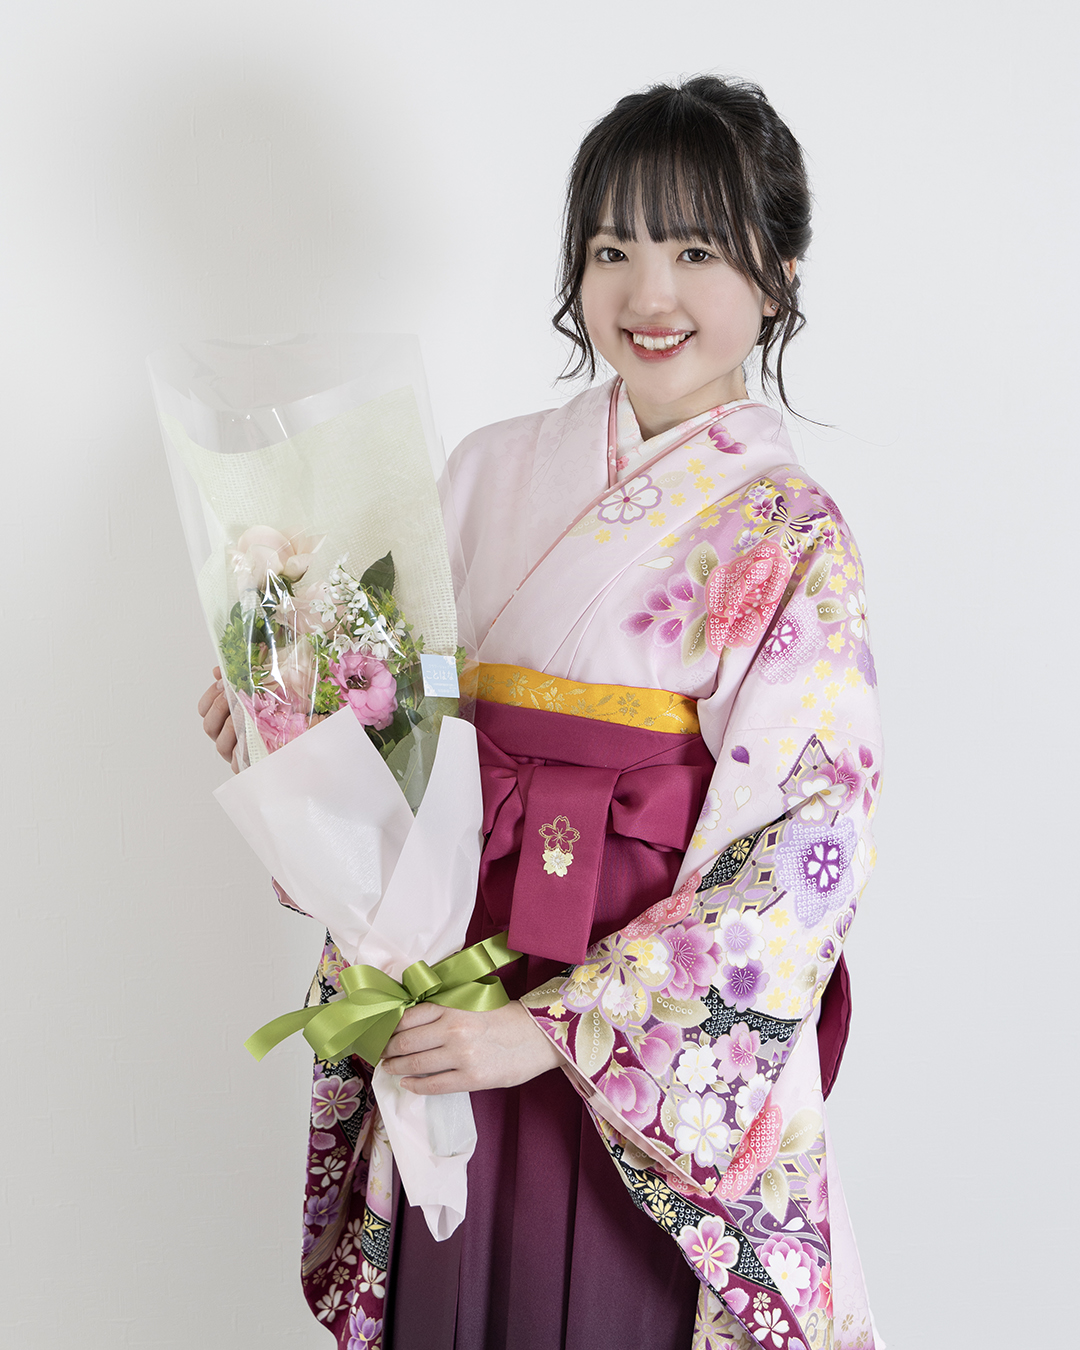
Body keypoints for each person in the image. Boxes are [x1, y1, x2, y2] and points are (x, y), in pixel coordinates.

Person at [199, 75, 882, 1350]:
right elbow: (407, 744)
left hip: (630, 1049)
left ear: (781, 273)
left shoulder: (792, 532)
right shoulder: (487, 472)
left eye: (696, 251)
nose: (650, 294)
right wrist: (294, 736)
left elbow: (798, 858)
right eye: (613, 250)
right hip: (454, 988)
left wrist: (554, 1035)